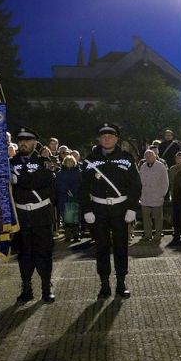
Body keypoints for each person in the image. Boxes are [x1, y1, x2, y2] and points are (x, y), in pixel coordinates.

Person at [80, 122, 141, 299]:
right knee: (101, 248)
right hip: (99, 210)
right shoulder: (90, 160)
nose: (107, 139)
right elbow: (83, 188)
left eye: (110, 136)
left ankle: (121, 283)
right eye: (103, 136)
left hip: (121, 209)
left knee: (121, 247)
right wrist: (87, 210)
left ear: (116, 138)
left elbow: (135, 185)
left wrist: (132, 207)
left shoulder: (127, 158)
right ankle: (104, 284)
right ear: (99, 139)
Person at [10, 127, 57, 303]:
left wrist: (19, 179)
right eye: (20, 140)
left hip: (41, 214)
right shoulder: (9, 163)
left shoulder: (44, 162)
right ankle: (26, 287)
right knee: (24, 254)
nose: (23, 143)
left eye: (27, 140)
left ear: (34, 143)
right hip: (21, 215)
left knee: (44, 253)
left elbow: (42, 181)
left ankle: (46, 288)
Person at [138, 148, 169, 243]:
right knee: (146, 219)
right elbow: (139, 181)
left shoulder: (161, 166)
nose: (148, 157)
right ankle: (147, 235)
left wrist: (162, 194)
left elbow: (165, 182)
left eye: (150, 155)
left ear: (155, 156)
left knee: (158, 219)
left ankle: (157, 236)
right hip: (145, 197)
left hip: (157, 197)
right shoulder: (143, 166)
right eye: (146, 156)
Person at [56, 154, 82, 242]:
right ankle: (68, 236)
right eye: (68, 162)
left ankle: (76, 235)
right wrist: (66, 190)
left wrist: (74, 191)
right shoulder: (60, 173)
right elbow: (58, 185)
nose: (70, 163)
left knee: (75, 218)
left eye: (72, 162)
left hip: (75, 197)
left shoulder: (78, 172)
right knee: (66, 218)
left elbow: (80, 184)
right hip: (65, 198)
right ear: (65, 163)